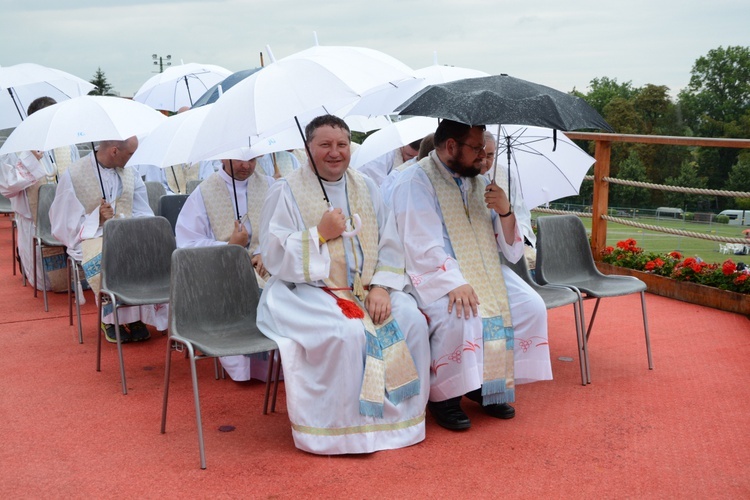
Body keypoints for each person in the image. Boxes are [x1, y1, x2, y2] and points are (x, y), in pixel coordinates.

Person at [257, 114, 430, 455]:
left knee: (411, 319)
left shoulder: (366, 186)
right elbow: (274, 255)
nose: (335, 153)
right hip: (310, 292)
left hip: (369, 289)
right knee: (350, 333)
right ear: (309, 148)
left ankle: (399, 423)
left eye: (341, 145)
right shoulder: (286, 191)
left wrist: (381, 286)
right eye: (325, 145)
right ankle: (342, 431)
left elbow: (390, 243)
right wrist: (319, 234)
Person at [390, 119, 552, 431]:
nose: (483, 156)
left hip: (483, 267)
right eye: (477, 149)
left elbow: (511, 251)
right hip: (430, 271)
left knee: (530, 306)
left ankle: (486, 385)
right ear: (451, 147)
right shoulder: (416, 180)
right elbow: (419, 243)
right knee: (461, 314)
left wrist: (505, 212)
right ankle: (445, 397)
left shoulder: (480, 181)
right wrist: (454, 281)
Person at [50, 136, 168, 343]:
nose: (133, 159)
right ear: (114, 151)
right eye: (130, 154)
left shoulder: (130, 173)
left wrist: (135, 229)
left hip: (128, 232)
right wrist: (96, 218)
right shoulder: (75, 174)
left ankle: (137, 317)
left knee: (147, 250)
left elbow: (142, 210)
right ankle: (110, 319)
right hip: (90, 236)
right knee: (111, 255)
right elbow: (62, 220)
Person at [175, 155, 274, 381]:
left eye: (252, 159)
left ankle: (278, 363)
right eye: (239, 160)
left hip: (266, 265)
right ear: (223, 157)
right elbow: (187, 242)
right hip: (221, 268)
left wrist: (265, 252)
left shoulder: (269, 185)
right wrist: (229, 246)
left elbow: (282, 228)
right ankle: (245, 368)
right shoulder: (204, 192)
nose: (246, 166)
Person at [0, 96, 80, 291]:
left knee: (76, 280)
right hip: (34, 221)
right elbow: (6, 186)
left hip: (67, 217)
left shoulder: (68, 146)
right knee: (45, 284)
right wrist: (29, 161)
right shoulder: (16, 148)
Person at [380, 133, 434, 206]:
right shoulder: (396, 175)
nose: (410, 159)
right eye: (409, 155)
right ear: (402, 146)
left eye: (414, 157)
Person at [357, 139, 421, 186]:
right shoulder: (386, 154)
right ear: (402, 146)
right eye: (409, 155)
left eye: (416, 157)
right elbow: (375, 178)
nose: (412, 160)